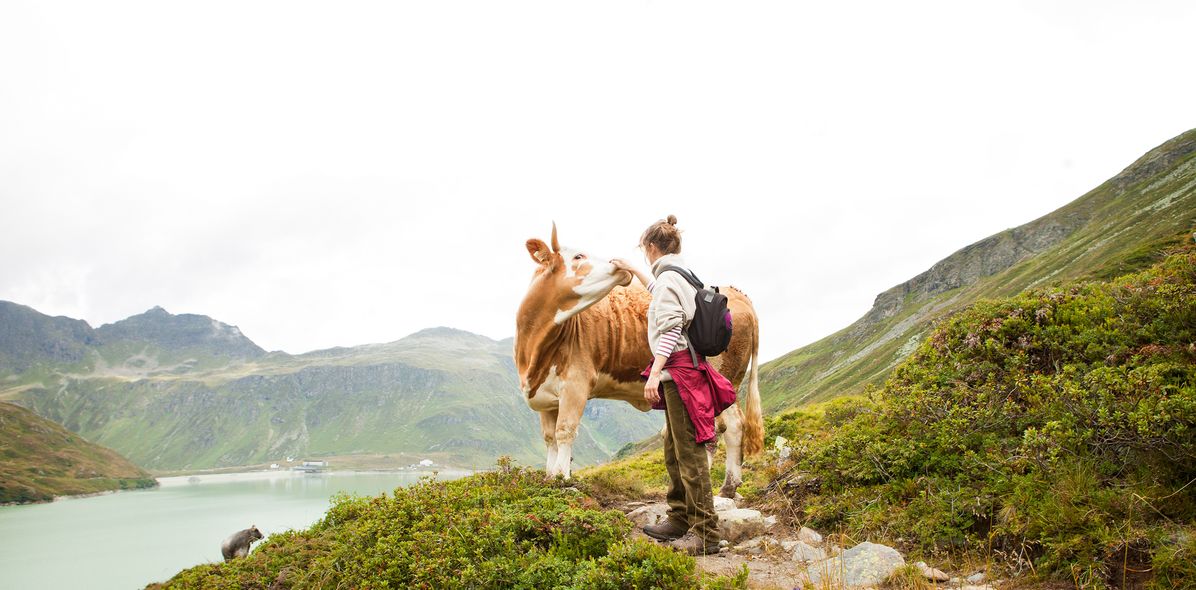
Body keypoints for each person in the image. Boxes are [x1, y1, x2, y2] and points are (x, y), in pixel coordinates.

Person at [610, 214, 733, 556]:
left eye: (643, 252)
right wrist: (635, 271)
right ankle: (680, 516)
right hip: (689, 371)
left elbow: (670, 329)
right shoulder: (682, 276)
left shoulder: (669, 281)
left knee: (689, 453)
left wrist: (654, 374)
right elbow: (664, 300)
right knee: (673, 450)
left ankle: (706, 534)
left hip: (678, 374)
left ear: (651, 247)